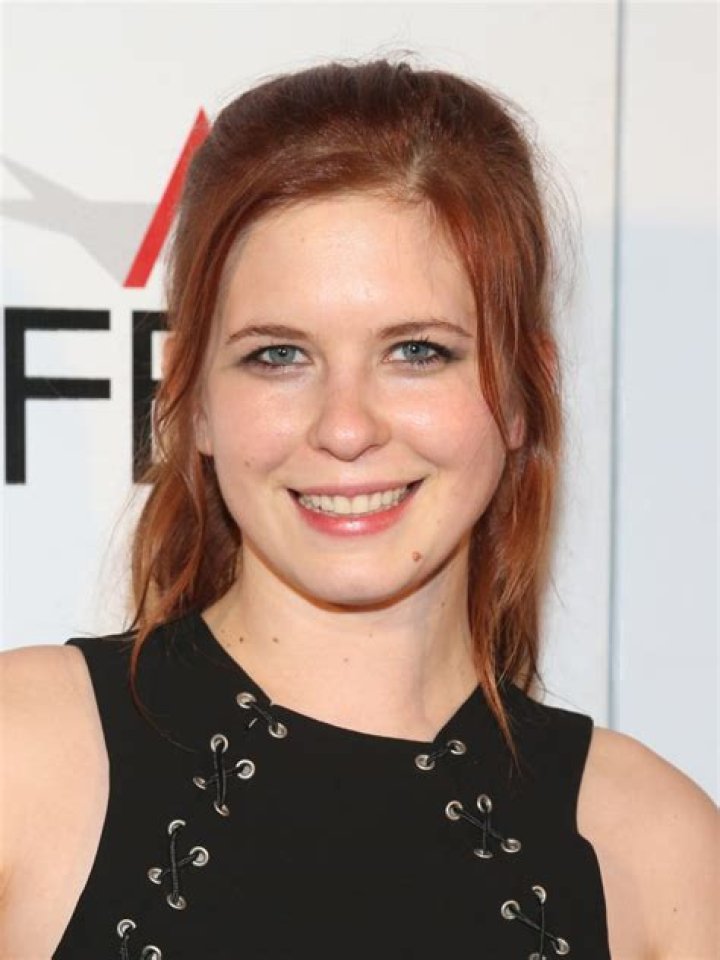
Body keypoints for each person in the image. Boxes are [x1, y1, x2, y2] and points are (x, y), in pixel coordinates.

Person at [0, 57, 716, 960]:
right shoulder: (23, 761)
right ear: (195, 398)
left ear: (523, 391)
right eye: (278, 355)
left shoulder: (656, 852)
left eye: (417, 351)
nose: (345, 429)